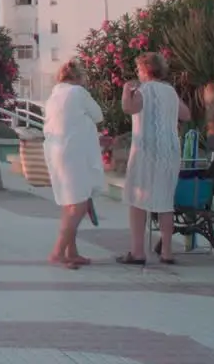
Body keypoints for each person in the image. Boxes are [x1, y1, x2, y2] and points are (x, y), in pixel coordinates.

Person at [118, 52, 191, 266]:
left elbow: (128, 108)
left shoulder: (143, 90)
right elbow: (186, 114)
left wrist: (126, 92)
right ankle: (167, 251)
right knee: (165, 200)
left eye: (139, 69)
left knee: (137, 199)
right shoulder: (170, 91)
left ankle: (137, 252)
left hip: (146, 151)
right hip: (169, 151)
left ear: (145, 70)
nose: (137, 73)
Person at [43, 60, 106, 269]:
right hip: (73, 154)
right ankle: (58, 251)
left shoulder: (53, 96)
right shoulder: (77, 92)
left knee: (69, 203)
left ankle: (72, 251)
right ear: (79, 77)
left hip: (55, 152)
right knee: (79, 204)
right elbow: (98, 115)